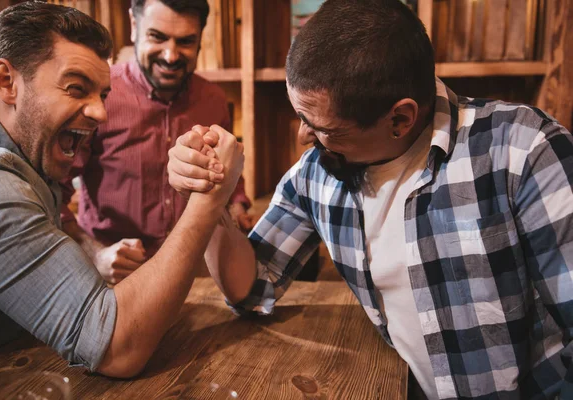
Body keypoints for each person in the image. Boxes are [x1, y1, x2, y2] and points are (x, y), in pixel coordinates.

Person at [167, 0, 573, 398]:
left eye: (322, 127)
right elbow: (251, 286)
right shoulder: (317, 174)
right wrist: (210, 193)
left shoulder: (522, 151)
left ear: (400, 119)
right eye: (300, 117)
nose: (303, 137)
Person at [0, 1, 244, 378]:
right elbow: (116, 347)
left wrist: (235, 202)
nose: (101, 112)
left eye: (101, 94)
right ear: (6, 81)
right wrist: (208, 198)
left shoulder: (29, 149)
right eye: (75, 88)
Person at [60, 0, 252, 285]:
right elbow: (52, 197)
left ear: (201, 39)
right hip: (115, 279)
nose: (171, 55)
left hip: (194, 274)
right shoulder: (98, 96)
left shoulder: (213, 100)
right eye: (158, 37)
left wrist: (238, 206)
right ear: (134, 27)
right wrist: (94, 255)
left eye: (186, 41)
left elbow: (229, 180)